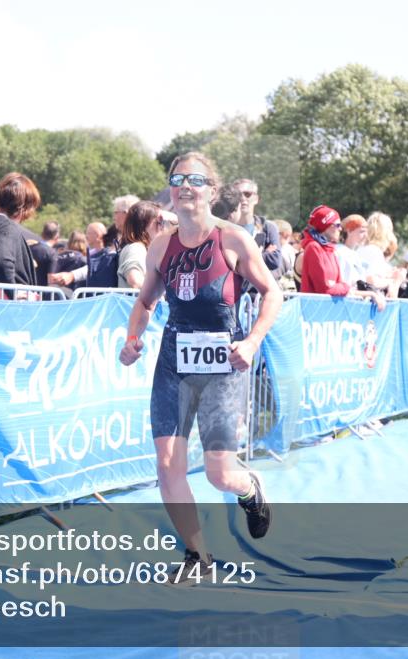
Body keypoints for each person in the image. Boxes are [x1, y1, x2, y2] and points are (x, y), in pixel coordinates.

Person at [118, 152, 281, 584]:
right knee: (167, 463)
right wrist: (133, 339)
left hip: (225, 362)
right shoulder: (159, 246)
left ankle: (249, 488)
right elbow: (145, 302)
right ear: (171, 188)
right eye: (178, 178)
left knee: (219, 472)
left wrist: (252, 340)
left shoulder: (233, 240)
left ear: (211, 189)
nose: (185, 186)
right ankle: (197, 557)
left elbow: (273, 293)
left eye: (196, 179)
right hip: (174, 360)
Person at [229, 178, 285, 284]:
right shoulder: (224, 228)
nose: (242, 198)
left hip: (258, 295)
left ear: (256, 199)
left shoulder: (268, 227)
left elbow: (274, 261)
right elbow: (225, 262)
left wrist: (240, 258)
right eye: (237, 194)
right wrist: (261, 255)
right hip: (231, 292)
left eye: (247, 194)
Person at [299, 205, 350, 296]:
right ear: (325, 226)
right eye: (337, 225)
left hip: (329, 307)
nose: (340, 229)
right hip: (315, 308)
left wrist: (341, 286)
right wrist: (346, 287)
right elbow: (324, 290)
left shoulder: (331, 250)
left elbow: (338, 283)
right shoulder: (313, 247)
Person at [117, 200, 165, 289]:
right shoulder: (136, 248)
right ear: (143, 224)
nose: (162, 226)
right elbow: (134, 280)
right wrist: (159, 294)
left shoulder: (138, 248)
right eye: (159, 222)